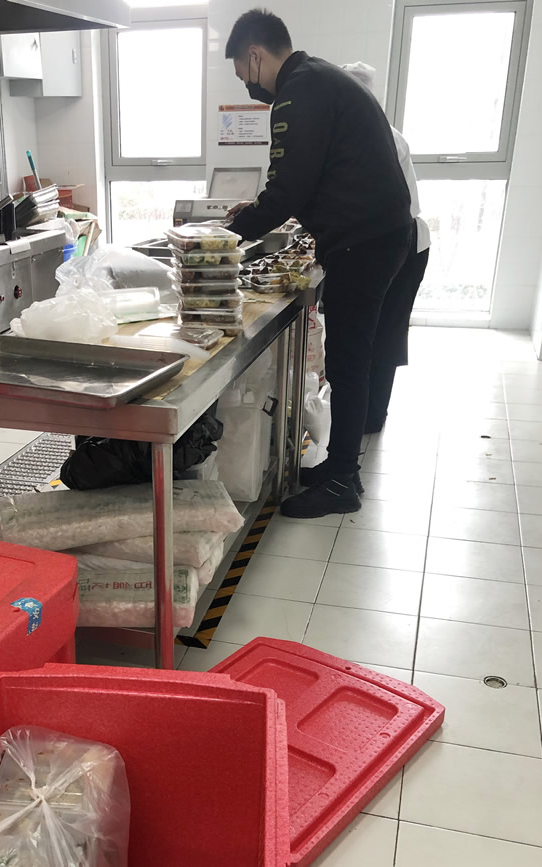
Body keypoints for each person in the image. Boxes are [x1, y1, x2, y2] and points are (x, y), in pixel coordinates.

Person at [225, 9, 413, 519]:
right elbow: (313, 177)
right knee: (351, 359)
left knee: (348, 363)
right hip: (377, 236)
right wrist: (259, 211)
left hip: (364, 242)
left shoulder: (297, 91)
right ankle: (338, 470)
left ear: (255, 55)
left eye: (243, 74)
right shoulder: (319, 77)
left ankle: (341, 484)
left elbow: (289, 186)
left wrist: (225, 237)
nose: (249, 87)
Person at [341, 61, 431, 434]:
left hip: (404, 244)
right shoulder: (358, 134)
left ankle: (373, 415)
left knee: (385, 332)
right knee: (372, 331)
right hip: (386, 241)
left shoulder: (384, 138)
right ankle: (365, 412)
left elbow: (370, 204)